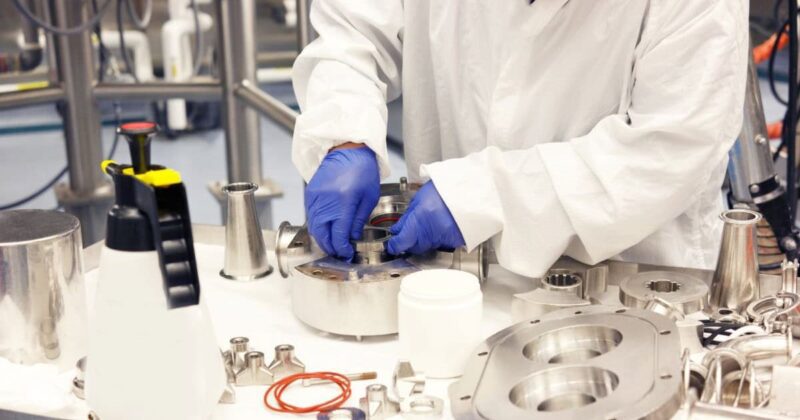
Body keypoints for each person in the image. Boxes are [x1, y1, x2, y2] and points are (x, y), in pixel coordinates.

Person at [291, 0, 749, 277]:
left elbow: (666, 151)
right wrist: (344, 132)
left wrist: (483, 197)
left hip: (631, 279)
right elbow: (355, 32)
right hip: (445, 279)